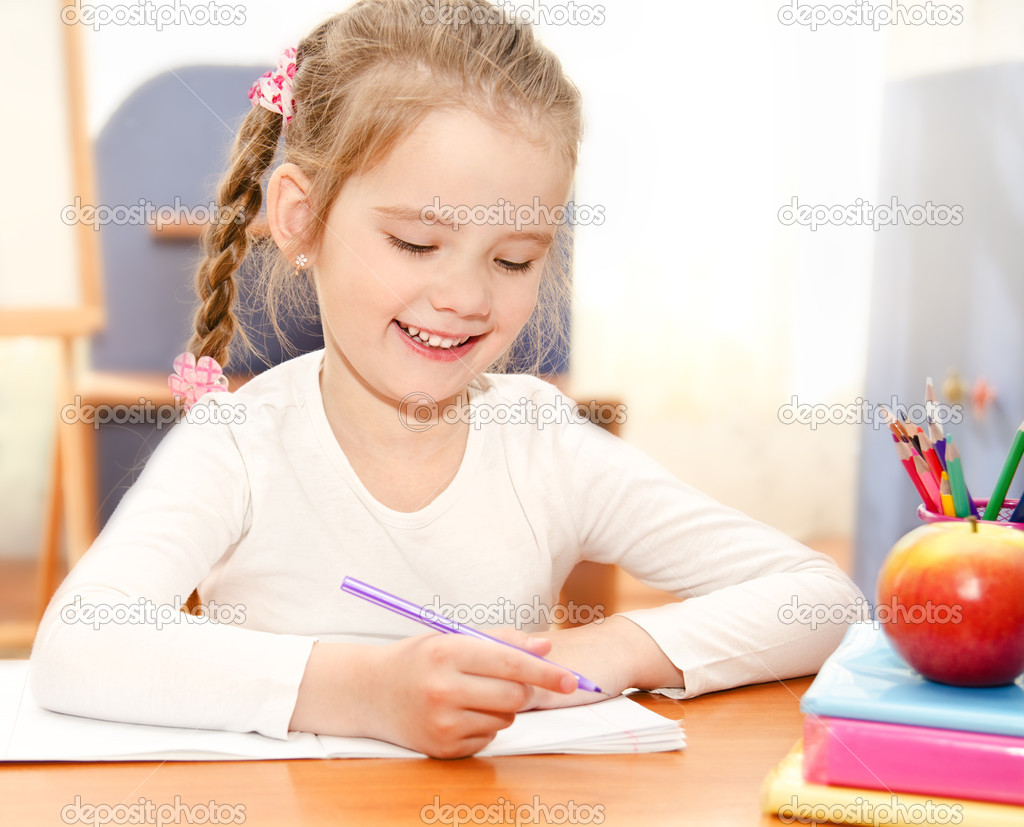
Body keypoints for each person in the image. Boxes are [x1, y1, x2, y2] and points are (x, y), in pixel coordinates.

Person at [30, 0, 863, 759]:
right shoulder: (242, 444)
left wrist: (588, 653)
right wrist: (359, 692)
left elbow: (822, 600)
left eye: (513, 258)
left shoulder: (541, 443)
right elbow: (78, 641)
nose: (466, 297)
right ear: (301, 218)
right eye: (418, 244)